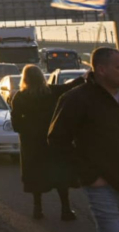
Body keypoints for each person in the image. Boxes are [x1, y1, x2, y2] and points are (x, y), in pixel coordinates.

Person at [48, 48, 119, 232]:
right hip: (104, 188)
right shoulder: (77, 99)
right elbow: (57, 140)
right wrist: (88, 176)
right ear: (101, 70)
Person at [11, 64, 77, 221]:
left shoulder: (20, 97)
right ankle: (66, 210)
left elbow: (15, 123)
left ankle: (37, 209)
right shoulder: (52, 92)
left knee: (36, 176)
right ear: (42, 77)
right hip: (52, 140)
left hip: (32, 144)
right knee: (59, 174)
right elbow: (71, 86)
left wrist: (27, 131)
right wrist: (86, 76)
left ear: (24, 78)